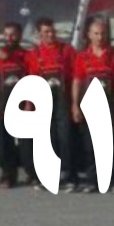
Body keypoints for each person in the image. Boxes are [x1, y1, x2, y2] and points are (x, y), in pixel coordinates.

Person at [72, 19, 114, 194]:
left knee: (112, 144)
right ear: (89, 35)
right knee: (90, 145)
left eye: (102, 33)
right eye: (96, 33)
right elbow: (77, 81)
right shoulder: (82, 57)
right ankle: (93, 180)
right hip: (90, 105)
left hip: (109, 104)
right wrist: (75, 105)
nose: (100, 37)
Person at [26, 17, 78, 192]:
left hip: (63, 100)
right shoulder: (34, 54)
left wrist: (76, 103)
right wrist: (29, 104)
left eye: (52, 31)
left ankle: (69, 176)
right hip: (43, 102)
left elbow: (76, 77)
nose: (50, 35)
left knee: (65, 138)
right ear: (39, 34)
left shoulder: (67, 50)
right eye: (46, 32)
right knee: (47, 139)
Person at [0, 22, 35, 189]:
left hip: (22, 106)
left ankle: (32, 174)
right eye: (6, 35)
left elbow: (32, 80)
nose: (9, 38)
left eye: (13, 34)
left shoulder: (27, 55)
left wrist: (29, 103)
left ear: (20, 35)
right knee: (4, 144)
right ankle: (8, 175)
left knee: (27, 144)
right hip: (2, 105)